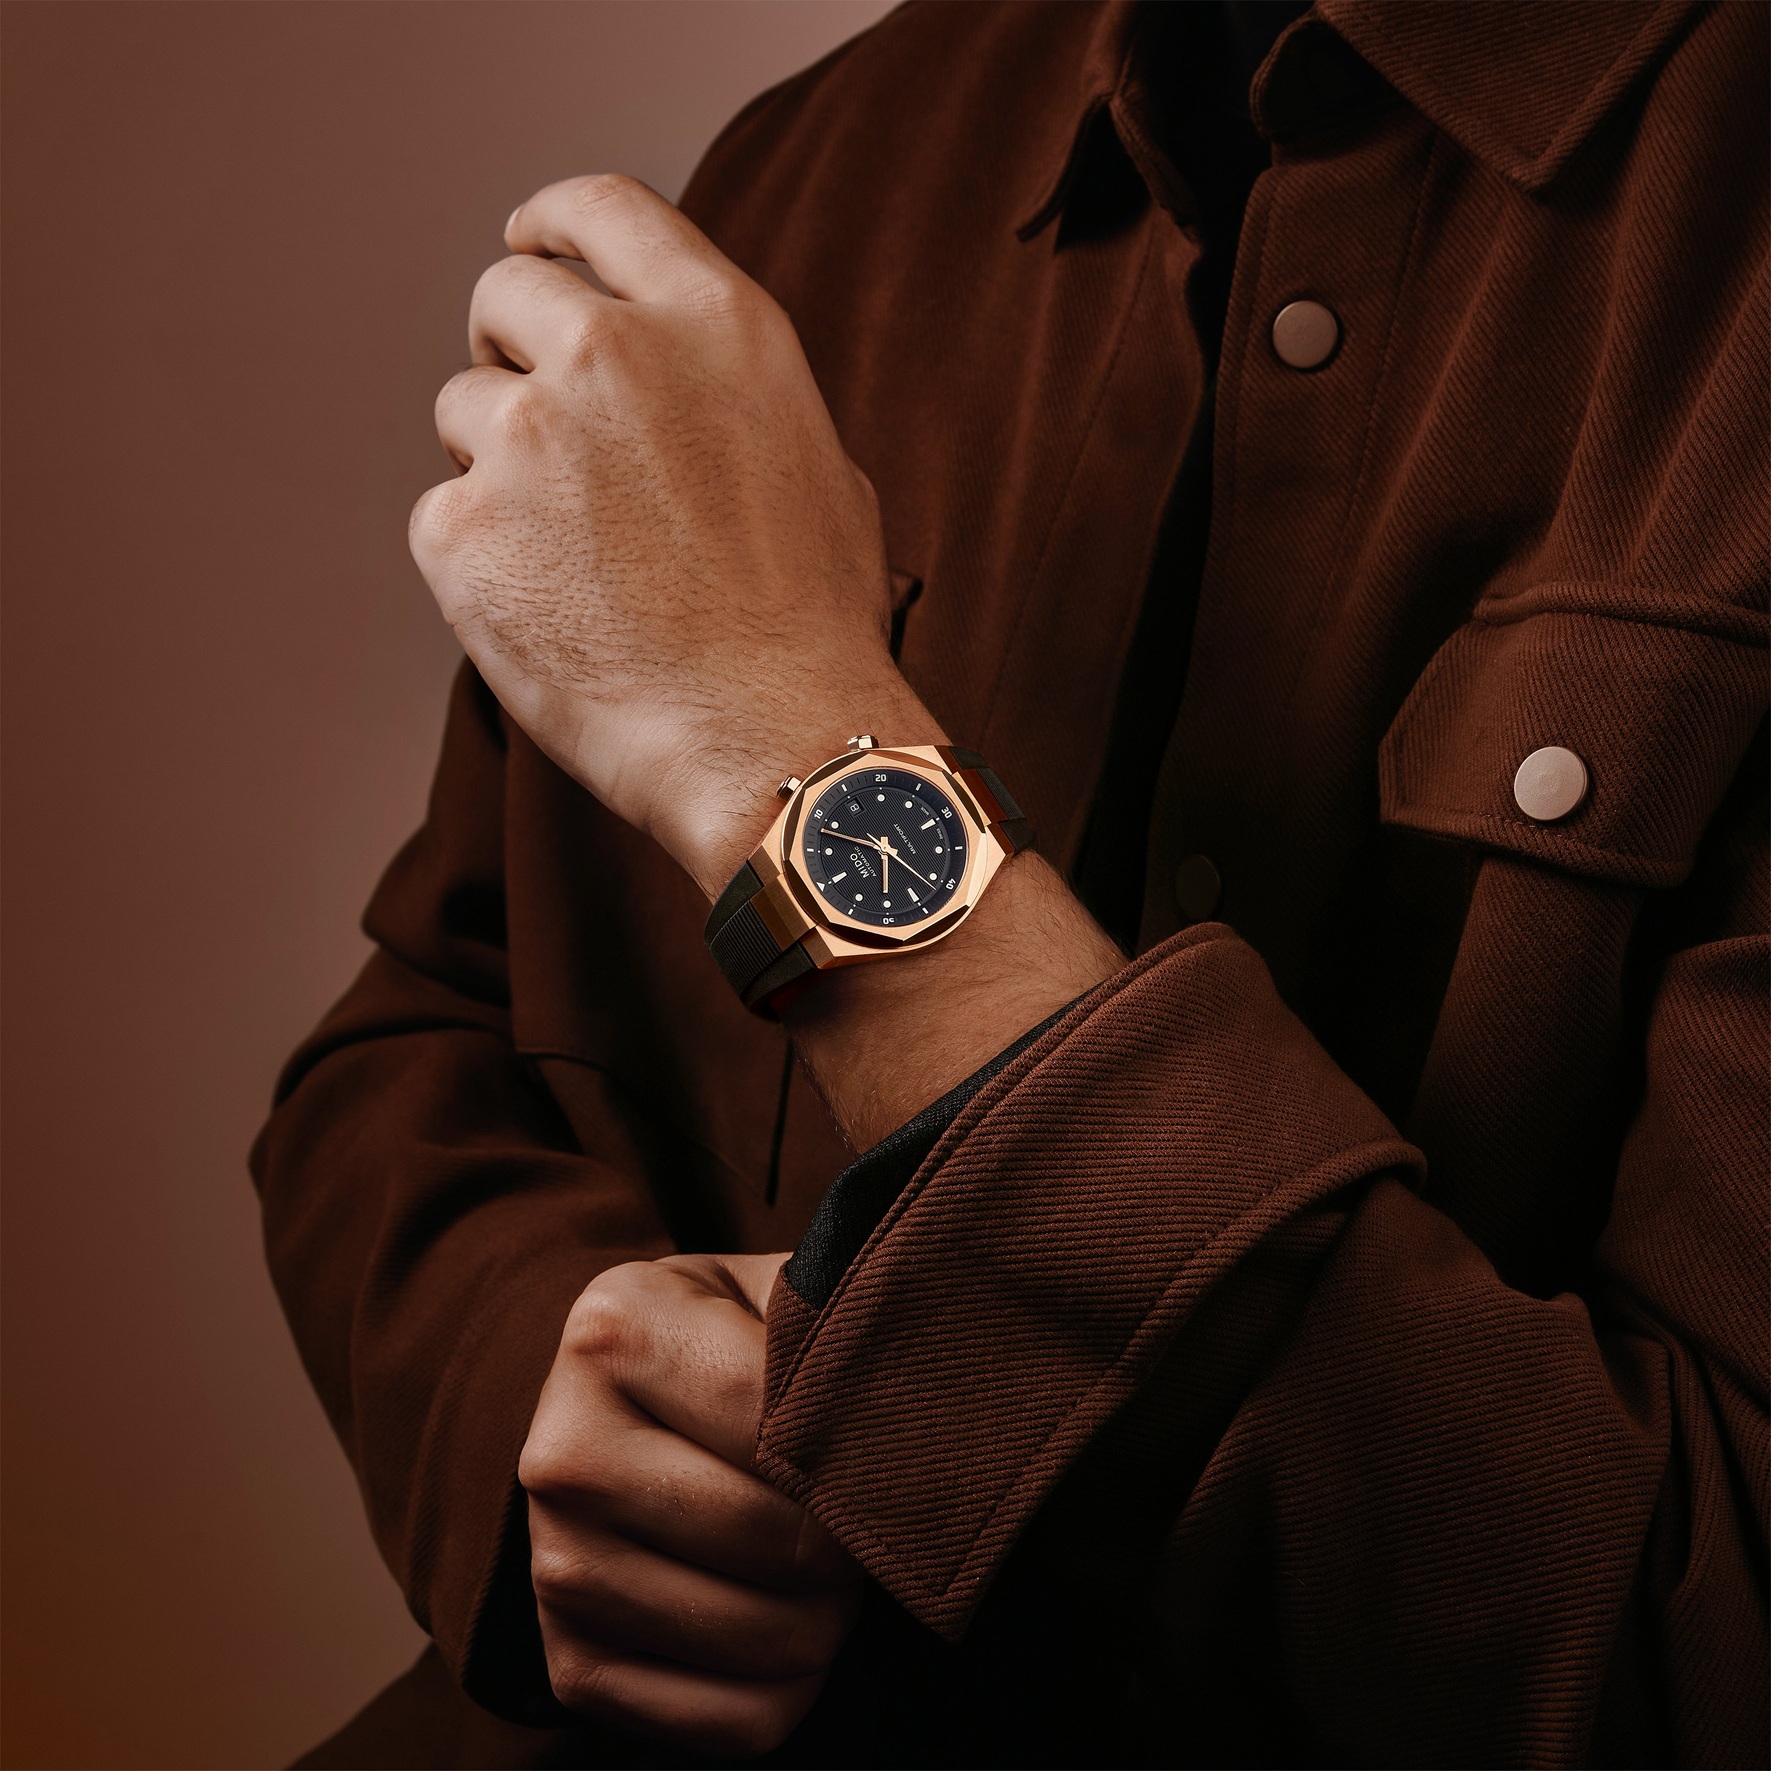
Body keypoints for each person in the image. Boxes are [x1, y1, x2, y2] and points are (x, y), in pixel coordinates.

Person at [254, 3, 1768, 1766]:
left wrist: (789, 741)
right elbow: (421, 1041)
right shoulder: (814, 174)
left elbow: (1709, 1642)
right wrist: (542, 1393)